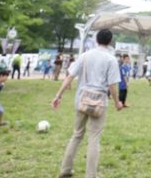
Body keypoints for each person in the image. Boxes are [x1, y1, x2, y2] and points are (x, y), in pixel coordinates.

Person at [51, 29, 123, 178]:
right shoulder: (111, 59)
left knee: (77, 134)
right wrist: (117, 103)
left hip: (81, 100)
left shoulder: (84, 56)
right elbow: (112, 86)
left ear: (96, 40)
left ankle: (66, 170)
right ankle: (91, 175)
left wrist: (58, 95)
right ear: (110, 41)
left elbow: (69, 77)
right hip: (99, 103)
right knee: (94, 137)